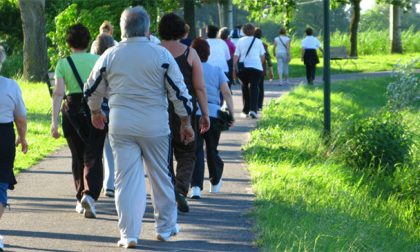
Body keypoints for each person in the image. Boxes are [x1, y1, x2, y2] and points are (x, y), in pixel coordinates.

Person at [84, 6, 194, 248]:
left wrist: (95, 111)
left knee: (125, 180)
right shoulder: (161, 55)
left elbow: (91, 89)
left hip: (121, 124)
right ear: (147, 29)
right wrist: (185, 122)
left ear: (122, 29)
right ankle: (165, 228)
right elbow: (179, 92)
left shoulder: (110, 55)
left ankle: (128, 234)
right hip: (155, 125)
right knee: (161, 176)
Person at [51, 24, 106, 219]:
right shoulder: (98, 60)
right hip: (95, 108)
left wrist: (54, 122)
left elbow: (58, 93)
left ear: (68, 42)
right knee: (94, 154)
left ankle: (79, 198)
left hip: (71, 110)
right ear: (87, 40)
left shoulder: (63, 63)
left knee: (77, 156)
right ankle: (89, 195)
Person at [159, 12, 210, 213]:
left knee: (163, 154)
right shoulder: (190, 54)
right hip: (185, 112)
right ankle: (180, 188)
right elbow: (199, 87)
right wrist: (205, 113)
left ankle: (168, 191)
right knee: (188, 152)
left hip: (160, 110)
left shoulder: (155, 52)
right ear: (181, 30)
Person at [190, 38, 235, 199]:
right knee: (212, 149)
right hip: (214, 113)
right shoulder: (217, 70)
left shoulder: (190, 70)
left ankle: (195, 186)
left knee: (195, 150)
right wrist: (231, 113)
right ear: (208, 54)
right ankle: (215, 182)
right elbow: (227, 93)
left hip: (193, 113)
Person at [0, 45, 28, 251]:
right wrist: (22, 138)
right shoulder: (10, 86)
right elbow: (20, 118)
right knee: (0, 183)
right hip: (4, 137)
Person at [91, 33, 116, 198]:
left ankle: (101, 184)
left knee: (99, 149)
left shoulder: (94, 63)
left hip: (99, 111)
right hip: (115, 110)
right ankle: (110, 183)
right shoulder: (116, 63)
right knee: (112, 148)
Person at [232, 23, 265, 119]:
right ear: (254, 30)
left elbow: (236, 55)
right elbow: (262, 56)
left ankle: (245, 110)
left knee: (245, 88)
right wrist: (258, 63)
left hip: (244, 67)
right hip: (256, 67)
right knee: (254, 88)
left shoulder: (240, 41)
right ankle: (253, 110)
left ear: (243, 31)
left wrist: (234, 67)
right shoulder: (258, 41)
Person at [254, 28, 273, 111]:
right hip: (262, 68)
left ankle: (253, 104)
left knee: (252, 87)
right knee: (260, 87)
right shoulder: (264, 45)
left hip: (251, 67)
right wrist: (271, 70)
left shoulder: (250, 44)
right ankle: (260, 105)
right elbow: (268, 58)